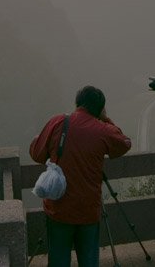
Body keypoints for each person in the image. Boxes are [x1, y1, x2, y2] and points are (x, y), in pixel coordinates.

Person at [29, 85, 132, 267]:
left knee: (58, 261)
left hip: (59, 209)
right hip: (87, 211)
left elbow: (36, 153)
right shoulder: (103, 130)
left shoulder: (58, 122)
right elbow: (124, 142)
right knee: (89, 262)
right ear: (99, 109)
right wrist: (105, 118)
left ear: (77, 103)